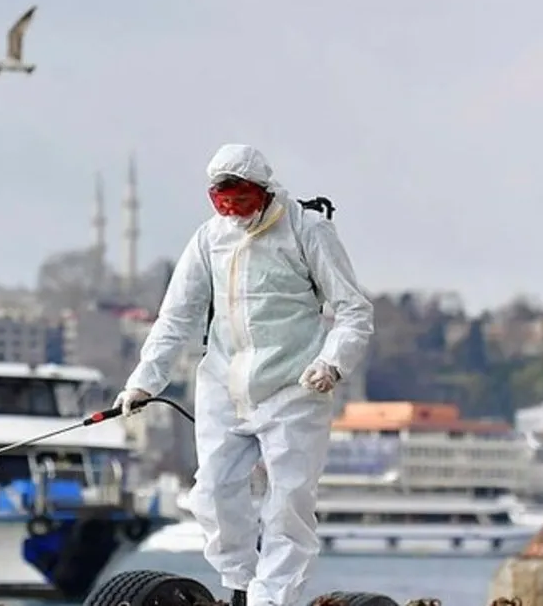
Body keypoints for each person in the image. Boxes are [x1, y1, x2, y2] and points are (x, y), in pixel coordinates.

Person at [114, 144, 374, 606]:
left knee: (288, 503)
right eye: (223, 202)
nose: (233, 211)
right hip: (223, 385)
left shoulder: (307, 230)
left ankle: (271, 598)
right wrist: (144, 382)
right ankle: (239, 584)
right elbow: (176, 317)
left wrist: (332, 363)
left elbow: (353, 310)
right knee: (212, 493)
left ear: (264, 190)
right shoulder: (209, 239)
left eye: (241, 200)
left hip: (295, 387)